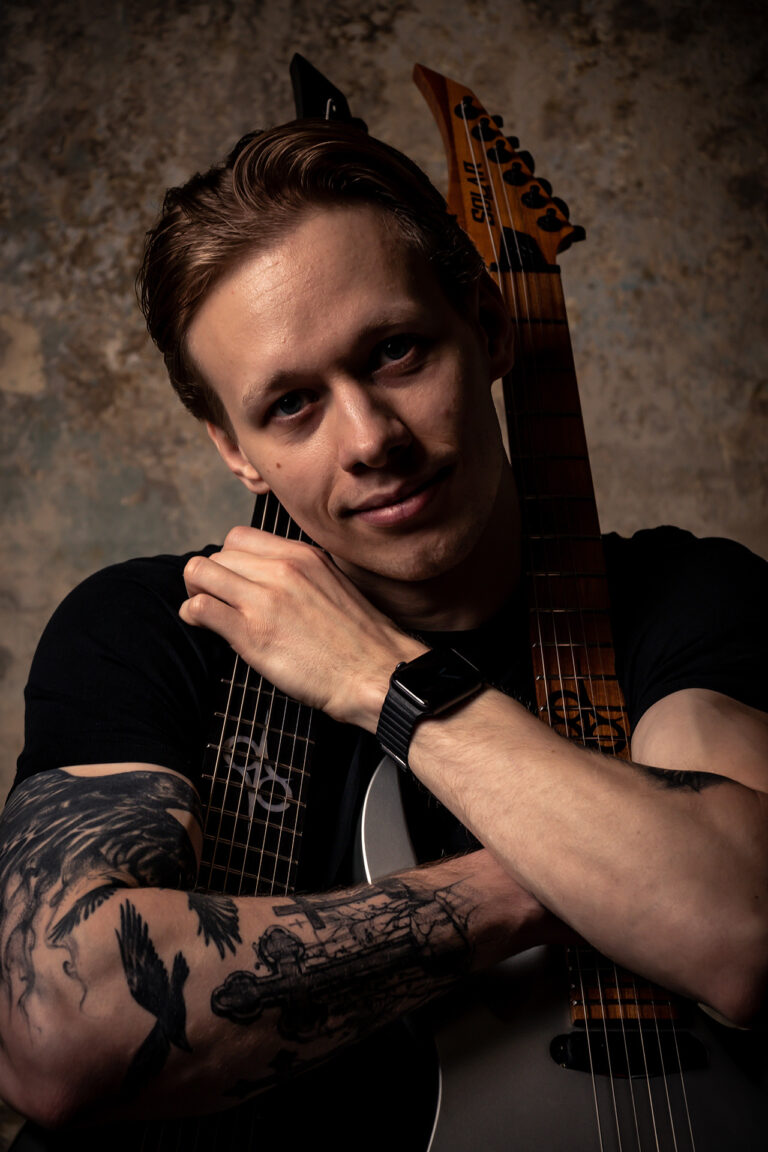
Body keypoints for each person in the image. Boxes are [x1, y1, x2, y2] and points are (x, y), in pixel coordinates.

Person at [0, 120, 766, 1147]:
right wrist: (596, 869)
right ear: (235, 449)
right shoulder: (149, 631)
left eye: (396, 351)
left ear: (489, 328)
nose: (371, 441)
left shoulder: (686, 593)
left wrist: (383, 681)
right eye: (290, 405)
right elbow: (59, 1036)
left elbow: (743, 928)